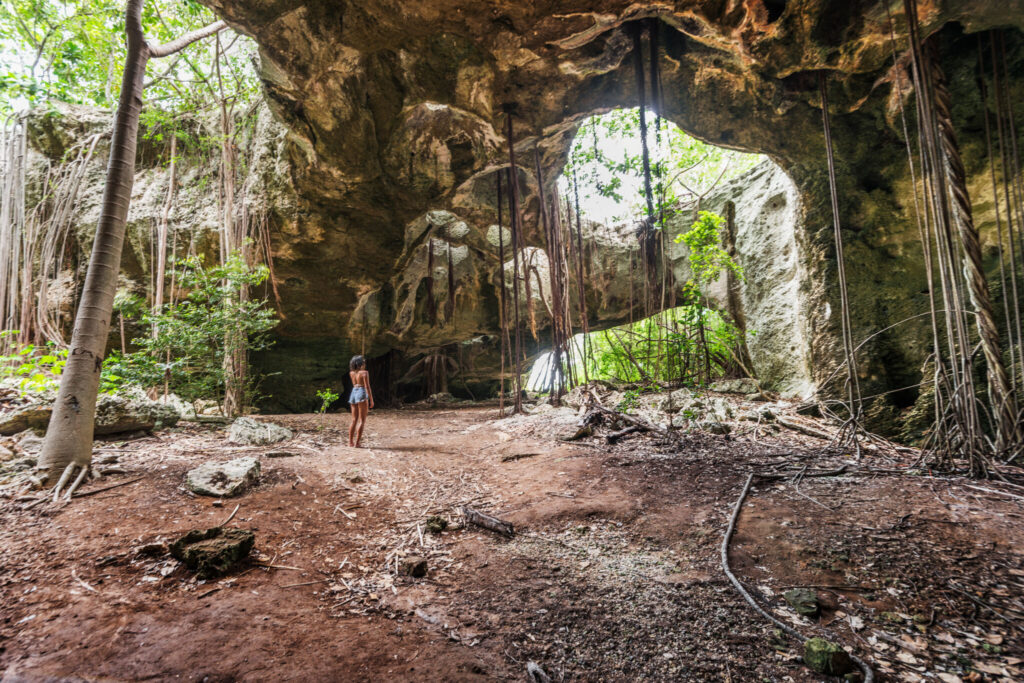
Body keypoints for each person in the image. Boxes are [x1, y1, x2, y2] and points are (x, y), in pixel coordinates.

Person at [348, 355, 373, 447]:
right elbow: (367, 387)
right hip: (361, 391)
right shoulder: (364, 373)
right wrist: (371, 399)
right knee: (362, 420)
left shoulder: (351, 373)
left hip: (353, 392)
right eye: (363, 362)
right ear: (360, 364)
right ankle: (357, 443)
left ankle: (350, 442)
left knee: (354, 419)